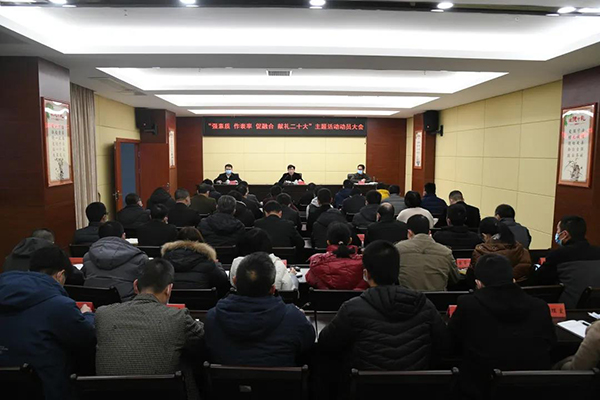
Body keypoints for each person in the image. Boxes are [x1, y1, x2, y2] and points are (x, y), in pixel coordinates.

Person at [318, 241, 448, 371]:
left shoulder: (352, 309)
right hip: (418, 383)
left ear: (366, 274)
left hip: (365, 383)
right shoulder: (424, 305)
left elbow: (326, 343)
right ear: (398, 271)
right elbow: (444, 344)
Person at [448, 254, 556, 398]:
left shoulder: (468, 305)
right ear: (513, 280)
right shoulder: (540, 306)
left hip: (481, 387)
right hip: (533, 387)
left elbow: (451, 343)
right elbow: (551, 343)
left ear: (478, 284)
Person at [95, 259, 204, 399]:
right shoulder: (178, 318)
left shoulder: (103, 314)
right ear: (168, 289)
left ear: (135, 286)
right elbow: (202, 337)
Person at [0, 246, 96, 400]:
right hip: (47, 389)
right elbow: (87, 339)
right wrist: (87, 315)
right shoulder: (59, 305)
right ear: (60, 275)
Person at [205, 252, 315, 366]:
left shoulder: (213, 318)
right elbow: (308, 343)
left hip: (228, 378)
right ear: (272, 289)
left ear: (235, 281)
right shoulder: (295, 319)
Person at [536, 216, 600, 308]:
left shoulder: (558, 254)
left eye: (558, 230)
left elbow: (540, 279)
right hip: (595, 308)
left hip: (569, 308)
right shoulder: (597, 252)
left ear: (564, 234)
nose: (556, 234)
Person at [82, 221, 148, 301]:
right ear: (123, 236)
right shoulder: (139, 258)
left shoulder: (88, 256)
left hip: (93, 303)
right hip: (127, 304)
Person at [396, 215, 460, 291]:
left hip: (407, 297)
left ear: (409, 233)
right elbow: (455, 278)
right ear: (429, 233)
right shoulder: (446, 252)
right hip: (438, 298)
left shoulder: (398, 249)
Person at [161, 227, 229, 295]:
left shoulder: (165, 261)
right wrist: (217, 264)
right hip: (202, 299)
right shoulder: (208, 262)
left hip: (171, 298)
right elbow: (223, 282)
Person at [229, 229, 298, 291]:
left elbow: (233, 285)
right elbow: (288, 290)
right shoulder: (279, 265)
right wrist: (292, 275)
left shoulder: (237, 263)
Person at [306, 223, 368, 290]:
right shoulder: (365, 263)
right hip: (359, 297)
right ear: (350, 240)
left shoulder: (317, 262)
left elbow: (310, 279)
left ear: (328, 242)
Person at [471, 217, 532, 284]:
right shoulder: (522, 251)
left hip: (488, 289)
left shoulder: (480, 252)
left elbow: (473, 275)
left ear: (485, 236)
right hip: (517, 288)